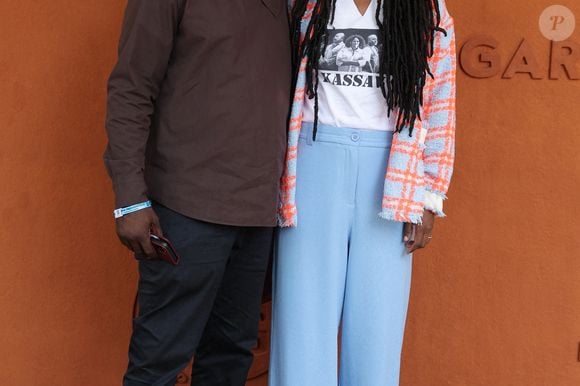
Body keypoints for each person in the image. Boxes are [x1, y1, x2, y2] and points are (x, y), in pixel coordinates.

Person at [103, 0, 291, 385]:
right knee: (159, 361)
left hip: (258, 214)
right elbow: (131, 87)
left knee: (231, 359)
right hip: (185, 211)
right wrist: (129, 199)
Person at [270, 0, 457, 385]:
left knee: (378, 325)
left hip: (391, 171)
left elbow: (440, 103)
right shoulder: (306, 4)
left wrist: (429, 195)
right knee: (302, 318)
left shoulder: (425, 10)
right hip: (311, 161)